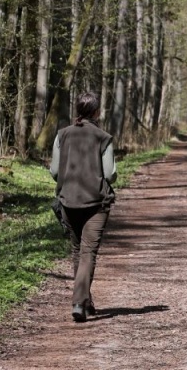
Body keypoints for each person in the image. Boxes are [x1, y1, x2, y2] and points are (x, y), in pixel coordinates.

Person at [50, 92, 117, 323]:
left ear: (77, 109)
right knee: (88, 252)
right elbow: (110, 174)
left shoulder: (62, 135)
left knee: (78, 251)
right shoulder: (103, 137)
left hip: (68, 201)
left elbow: (55, 172)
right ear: (96, 112)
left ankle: (85, 301)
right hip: (96, 203)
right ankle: (79, 302)